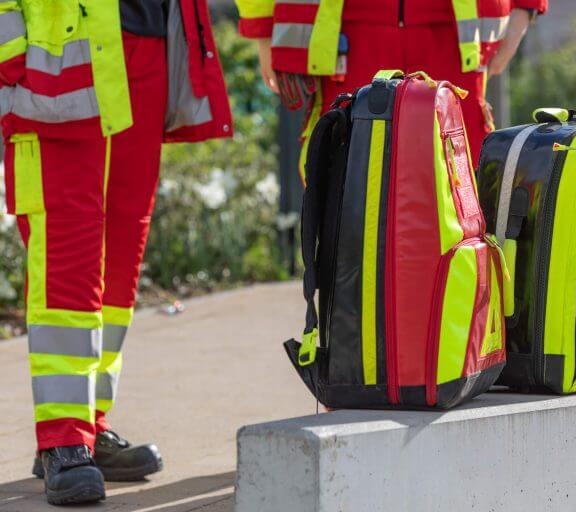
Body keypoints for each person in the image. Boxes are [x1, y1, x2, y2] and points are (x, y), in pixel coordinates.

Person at [0, 0, 232, 505]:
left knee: (119, 261)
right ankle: (62, 436)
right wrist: (11, 60)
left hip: (146, 45)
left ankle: (89, 425)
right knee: (67, 257)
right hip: (56, 55)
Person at [235, 0, 547, 172]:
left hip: (455, 33)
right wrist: (263, 25)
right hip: (343, 32)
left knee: (460, 198)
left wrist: (524, 9)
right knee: (345, 196)